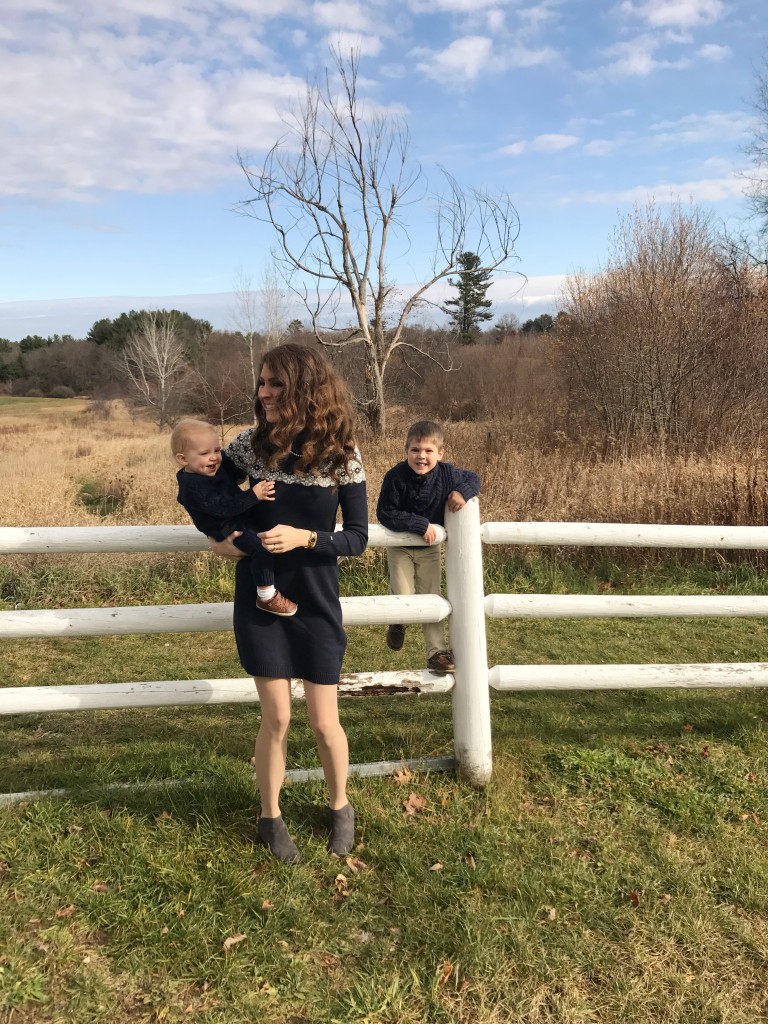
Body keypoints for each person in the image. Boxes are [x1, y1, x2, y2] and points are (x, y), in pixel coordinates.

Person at [207, 344, 368, 863]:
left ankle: (340, 806)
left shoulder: (343, 453)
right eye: (261, 382)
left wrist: (307, 539)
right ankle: (269, 817)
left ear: (304, 387)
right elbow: (204, 494)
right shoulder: (249, 447)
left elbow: (359, 538)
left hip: (317, 598)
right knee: (276, 716)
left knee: (324, 721)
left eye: (275, 383)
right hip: (260, 597)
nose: (263, 393)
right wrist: (221, 537)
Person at [376, 420, 481, 673]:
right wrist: (419, 524)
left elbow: (473, 477)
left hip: (430, 549)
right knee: (403, 593)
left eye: (428, 451)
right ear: (406, 450)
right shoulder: (395, 476)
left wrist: (462, 492)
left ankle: (436, 653)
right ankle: (398, 622)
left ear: (440, 453)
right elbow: (385, 512)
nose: (421, 456)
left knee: (431, 597)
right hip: (399, 545)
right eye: (415, 450)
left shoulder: (446, 473)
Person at [172, 418, 298, 616]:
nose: (214, 457)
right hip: (228, 529)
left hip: (238, 517)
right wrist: (253, 495)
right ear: (183, 459)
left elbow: (233, 475)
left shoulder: (211, 470)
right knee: (261, 548)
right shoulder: (192, 486)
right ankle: (266, 596)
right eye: (205, 453)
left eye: (217, 450)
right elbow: (222, 508)